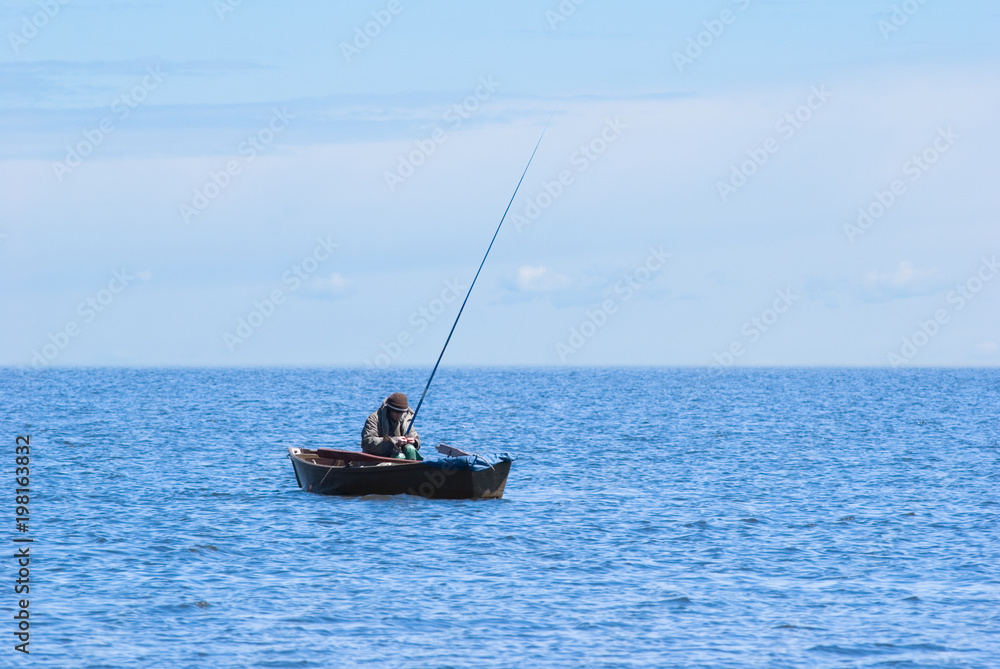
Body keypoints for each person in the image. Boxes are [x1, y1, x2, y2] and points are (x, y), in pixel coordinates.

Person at [361, 392, 422, 460]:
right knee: (400, 457)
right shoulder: (374, 418)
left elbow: (417, 440)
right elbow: (369, 442)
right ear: (389, 409)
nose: (399, 415)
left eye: (401, 413)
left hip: (399, 454)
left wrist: (414, 442)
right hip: (378, 458)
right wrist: (395, 440)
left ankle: (414, 468)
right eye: (396, 412)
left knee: (410, 449)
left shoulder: (406, 418)